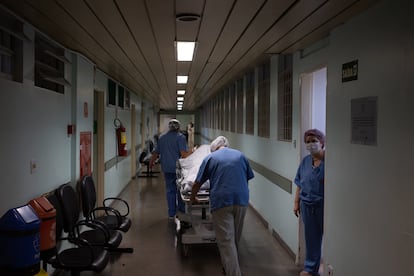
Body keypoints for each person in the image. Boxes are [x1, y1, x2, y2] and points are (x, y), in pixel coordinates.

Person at [190, 136, 254, 276]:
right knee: (235, 237)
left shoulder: (211, 158)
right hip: (241, 200)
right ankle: (228, 266)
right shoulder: (240, 156)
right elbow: (247, 176)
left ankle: (233, 272)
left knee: (226, 241)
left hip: (221, 201)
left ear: (214, 148)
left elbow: (197, 183)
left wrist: (193, 197)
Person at [293, 129, 325, 276]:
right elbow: (299, 182)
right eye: (308, 141)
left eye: (314, 141)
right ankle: (310, 268)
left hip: (323, 206)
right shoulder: (306, 161)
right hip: (307, 204)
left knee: (329, 237)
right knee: (311, 238)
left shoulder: (329, 162)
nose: (311, 144)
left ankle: (325, 267)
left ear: (322, 143)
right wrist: (296, 202)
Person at [149, 119, 191, 219]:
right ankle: (181, 209)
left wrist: (151, 162)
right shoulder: (180, 137)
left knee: (170, 190)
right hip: (178, 169)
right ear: (179, 127)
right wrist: (193, 153)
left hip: (167, 168)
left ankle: (171, 213)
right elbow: (184, 154)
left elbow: (156, 153)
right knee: (180, 189)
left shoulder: (162, 138)